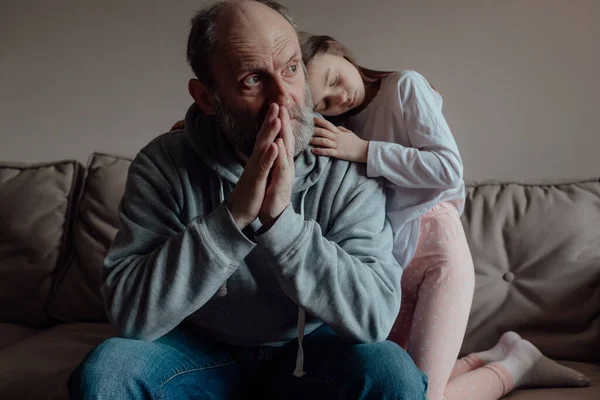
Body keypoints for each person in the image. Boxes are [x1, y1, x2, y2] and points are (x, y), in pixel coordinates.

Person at [67, 1, 428, 399]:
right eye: (253, 79)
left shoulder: (345, 168)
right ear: (207, 98)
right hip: (197, 352)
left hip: (308, 354)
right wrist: (233, 218)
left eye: (292, 69)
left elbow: (374, 319)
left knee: (391, 373)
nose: (285, 98)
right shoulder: (164, 164)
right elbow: (130, 315)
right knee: (110, 371)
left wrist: (281, 224)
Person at [299, 32, 591, 400]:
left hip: (439, 254)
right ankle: (503, 356)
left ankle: (516, 366)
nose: (339, 98)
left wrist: (364, 151)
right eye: (325, 102)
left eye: (333, 80)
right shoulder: (345, 128)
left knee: (423, 397)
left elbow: (448, 169)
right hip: (391, 265)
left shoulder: (404, 85)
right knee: (404, 388)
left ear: (337, 51)